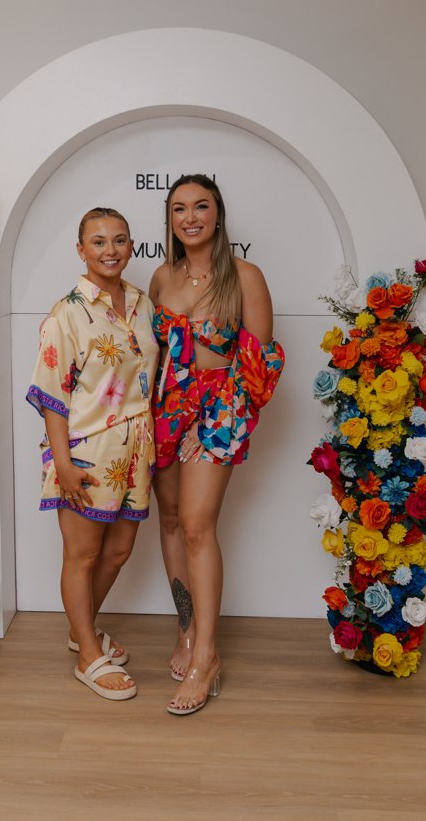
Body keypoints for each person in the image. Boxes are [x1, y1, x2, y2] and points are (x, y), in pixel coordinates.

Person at [149, 174, 285, 715]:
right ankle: (186, 630)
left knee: (199, 525)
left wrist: (201, 422)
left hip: (220, 410)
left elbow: (261, 366)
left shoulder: (245, 276)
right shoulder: (161, 277)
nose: (190, 217)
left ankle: (207, 655)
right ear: (171, 218)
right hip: (166, 408)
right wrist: (160, 418)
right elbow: (154, 357)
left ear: (217, 212)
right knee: (171, 521)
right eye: (180, 208)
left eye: (200, 206)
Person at [27, 208, 158, 701]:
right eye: (98, 241)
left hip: (136, 450)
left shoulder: (144, 305)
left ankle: (80, 629)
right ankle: (87, 654)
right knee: (82, 555)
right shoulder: (67, 312)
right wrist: (62, 463)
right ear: (80, 250)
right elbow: (51, 392)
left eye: (120, 240)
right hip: (85, 449)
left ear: (131, 246)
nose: (110, 250)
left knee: (119, 551)